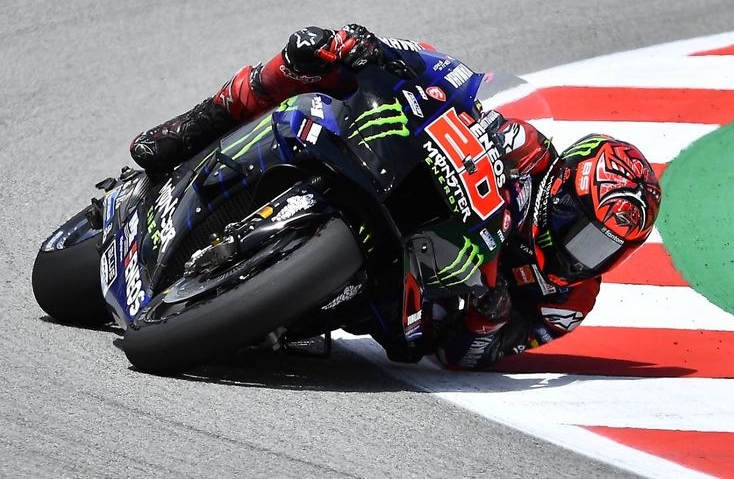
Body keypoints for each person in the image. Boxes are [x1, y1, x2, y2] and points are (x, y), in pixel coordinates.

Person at [129, 24, 661, 370]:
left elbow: (469, 354)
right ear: (563, 189)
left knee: (400, 341)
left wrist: (489, 320)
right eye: (583, 230)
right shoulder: (528, 149)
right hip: (401, 178)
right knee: (313, 56)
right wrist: (377, 51)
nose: (583, 252)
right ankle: (195, 128)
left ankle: (270, 306)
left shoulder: (571, 300)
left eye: (605, 250)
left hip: (416, 296)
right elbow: (455, 82)